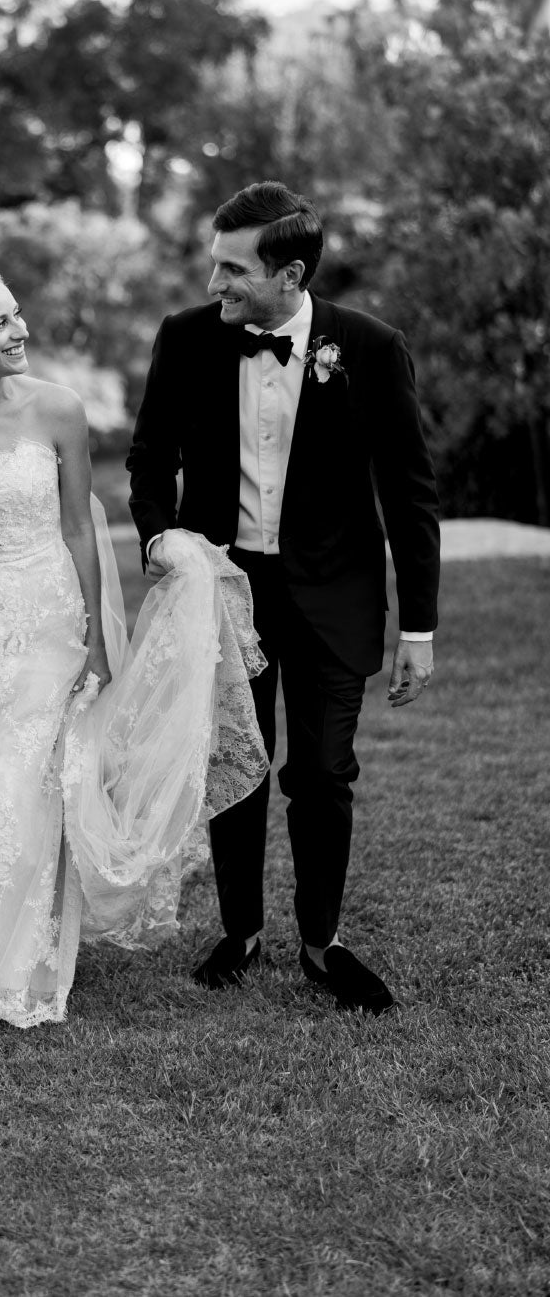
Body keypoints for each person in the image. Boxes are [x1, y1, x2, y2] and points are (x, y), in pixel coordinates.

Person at [0, 266, 269, 1029]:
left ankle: (22, 961)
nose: (21, 329)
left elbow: (77, 527)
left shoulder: (59, 408)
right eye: (0, 324)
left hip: (45, 610)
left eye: (17, 314)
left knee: (19, 781)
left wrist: (92, 633)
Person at [128, 182, 440, 1015]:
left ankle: (320, 942)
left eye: (232, 268)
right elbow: (150, 460)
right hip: (226, 593)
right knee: (236, 762)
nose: (214, 282)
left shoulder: (371, 348)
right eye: (214, 263)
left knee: (324, 771)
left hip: (336, 596)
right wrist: (162, 539)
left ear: (290, 273)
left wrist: (418, 627)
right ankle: (240, 931)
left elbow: (411, 495)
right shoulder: (187, 339)